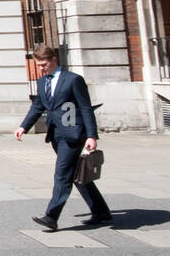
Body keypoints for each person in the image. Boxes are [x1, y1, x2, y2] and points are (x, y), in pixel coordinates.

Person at [16, 45, 111, 231]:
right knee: (78, 175)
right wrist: (23, 126)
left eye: (43, 64)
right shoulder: (43, 82)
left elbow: (85, 108)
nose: (41, 68)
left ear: (53, 59)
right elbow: (38, 106)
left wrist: (91, 135)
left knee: (62, 174)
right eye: (38, 65)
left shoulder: (73, 80)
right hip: (56, 135)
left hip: (73, 134)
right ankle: (101, 212)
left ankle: (51, 216)